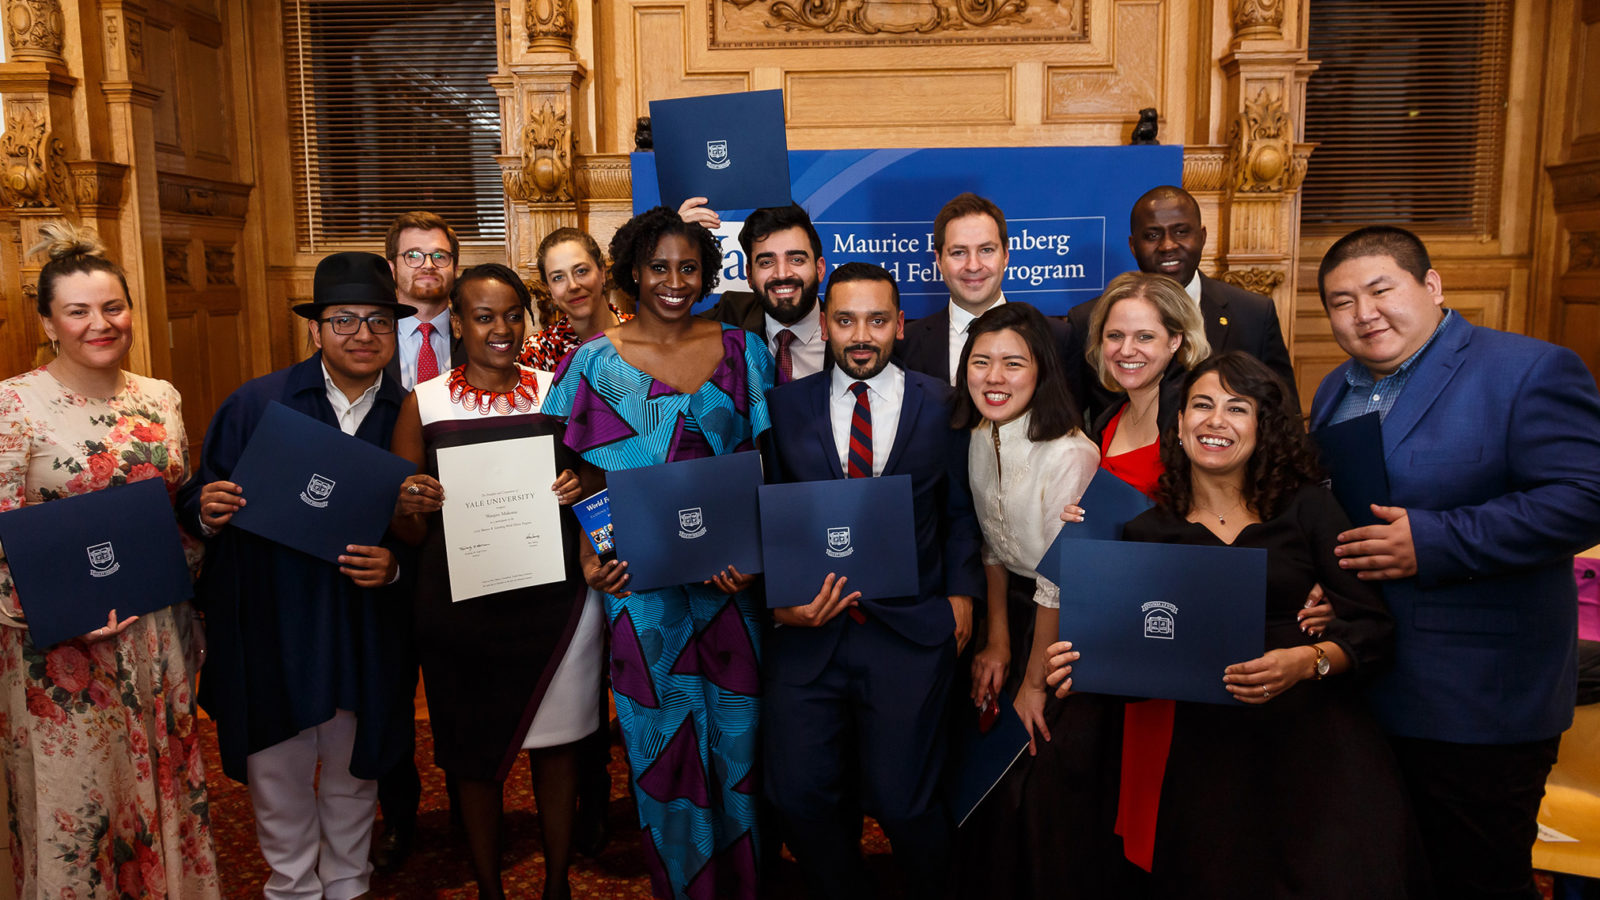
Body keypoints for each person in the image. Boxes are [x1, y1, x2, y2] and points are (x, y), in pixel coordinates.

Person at [1051, 352, 1420, 898]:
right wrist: (1080, 665)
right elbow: (1132, 663)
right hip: (1203, 763)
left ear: (1261, 426)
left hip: (1315, 746)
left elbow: (1372, 628)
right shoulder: (1145, 530)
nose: (1215, 421)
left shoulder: (1308, 511)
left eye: (1237, 408)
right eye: (1201, 405)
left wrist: (1307, 661)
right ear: (1177, 425)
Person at [1308, 226, 1600, 900]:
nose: (1364, 313)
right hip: (1366, 689)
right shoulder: (1333, 391)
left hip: (1480, 702)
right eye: (1341, 302)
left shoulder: (1527, 369)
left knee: (1474, 883)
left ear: (1432, 286)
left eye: (1381, 290)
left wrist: (1433, 542)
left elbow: (1584, 498)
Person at [540, 206, 773, 900]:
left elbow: (765, 466)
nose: (674, 281)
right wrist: (589, 553)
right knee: (664, 760)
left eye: (688, 267)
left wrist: (755, 556)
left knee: (740, 755)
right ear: (633, 272)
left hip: (732, 596)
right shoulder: (592, 363)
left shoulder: (742, 351)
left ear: (706, 274)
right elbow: (572, 474)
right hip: (641, 596)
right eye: (659, 267)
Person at [180, 252, 414, 900]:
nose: (362, 334)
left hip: (363, 628)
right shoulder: (256, 405)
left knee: (353, 773)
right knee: (278, 773)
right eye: (343, 320)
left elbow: (432, 534)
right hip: (273, 624)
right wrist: (207, 508)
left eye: (377, 321)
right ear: (314, 329)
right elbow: (197, 500)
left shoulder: (410, 417)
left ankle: (348, 884)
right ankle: (291, 889)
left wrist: (396, 567)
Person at [0, 222, 221, 898]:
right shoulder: (12, 406)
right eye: (78, 310)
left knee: (162, 791)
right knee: (80, 809)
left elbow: (173, 513)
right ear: (48, 321)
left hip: (155, 636)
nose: (101, 323)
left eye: (113, 307)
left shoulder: (159, 398)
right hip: (59, 656)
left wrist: (204, 526)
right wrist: (52, 614)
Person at [763, 261, 984, 900]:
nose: (862, 334)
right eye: (847, 319)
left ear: (900, 326)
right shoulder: (782, 407)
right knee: (799, 798)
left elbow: (961, 511)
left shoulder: (943, 404)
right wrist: (780, 606)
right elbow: (767, 512)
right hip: (809, 637)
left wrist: (962, 597)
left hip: (908, 634)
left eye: (877, 320)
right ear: (825, 324)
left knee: (906, 803)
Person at [388, 264, 595, 900]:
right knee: (473, 754)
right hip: (462, 608)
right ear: (457, 322)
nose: (501, 329)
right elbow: (406, 527)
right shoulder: (425, 401)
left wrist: (578, 486)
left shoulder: (556, 389)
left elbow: (599, 484)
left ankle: (557, 883)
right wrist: (410, 504)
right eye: (484, 316)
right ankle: (489, 888)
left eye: (512, 315)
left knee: (557, 747)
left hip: (556, 602)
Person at [948, 302, 1121, 900]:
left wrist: (1031, 679)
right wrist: (995, 641)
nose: (994, 378)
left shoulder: (1070, 453)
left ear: (1042, 371)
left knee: (1038, 770)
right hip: (1016, 614)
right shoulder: (978, 435)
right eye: (981, 362)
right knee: (982, 765)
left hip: (1066, 627)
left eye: (1012, 364)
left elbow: (1059, 580)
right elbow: (993, 548)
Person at [376, 209, 464, 872]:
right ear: (393, 269)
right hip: (387, 544)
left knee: (462, 689)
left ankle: (471, 808)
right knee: (389, 689)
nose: (427, 266)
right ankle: (399, 816)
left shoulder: (484, 334)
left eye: (438, 255)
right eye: (414, 255)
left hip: (468, 540)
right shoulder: (362, 340)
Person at [1064, 185, 1297, 421]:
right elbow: (1070, 422)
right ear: (1133, 246)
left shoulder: (1253, 314)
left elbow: (1285, 415)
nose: (1168, 245)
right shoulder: (1087, 319)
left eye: (1181, 232)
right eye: (1152, 235)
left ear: (1203, 237)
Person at [898, 192, 1073, 386]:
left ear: (1005, 255)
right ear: (939, 261)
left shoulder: (1058, 339)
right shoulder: (905, 344)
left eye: (986, 250)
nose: (973, 265)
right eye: (959, 252)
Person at [685, 200, 831, 384]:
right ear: (749, 275)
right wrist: (672, 239)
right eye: (766, 262)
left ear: (819, 269)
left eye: (796, 259)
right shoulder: (730, 315)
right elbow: (661, 340)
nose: (782, 274)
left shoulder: (847, 331)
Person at [519, 227, 629, 371]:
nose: (573, 286)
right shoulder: (535, 354)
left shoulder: (645, 335)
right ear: (549, 289)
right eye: (558, 278)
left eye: (581, 271)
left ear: (602, 273)